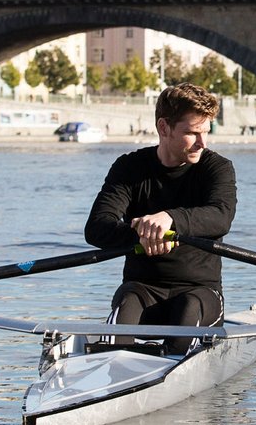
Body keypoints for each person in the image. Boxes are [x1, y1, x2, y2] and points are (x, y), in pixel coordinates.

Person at [85, 82, 236, 354]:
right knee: (125, 308)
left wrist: (170, 219)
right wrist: (142, 233)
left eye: (206, 132)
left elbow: (220, 217)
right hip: (142, 290)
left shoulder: (217, 168)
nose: (203, 142)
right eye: (192, 133)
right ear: (164, 128)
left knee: (186, 321)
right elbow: (97, 228)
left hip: (199, 292)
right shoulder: (130, 168)